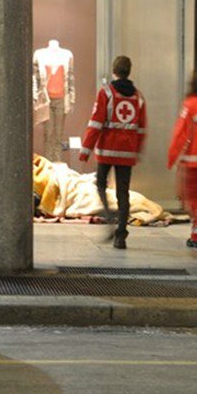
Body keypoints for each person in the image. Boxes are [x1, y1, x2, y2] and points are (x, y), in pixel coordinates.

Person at [79, 55, 147, 249]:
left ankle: (109, 218)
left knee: (100, 184)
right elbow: (142, 128)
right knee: (123, 193)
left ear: (114, 71)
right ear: (129, 71)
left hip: (107, 150)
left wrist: (85, 150)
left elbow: (96, 123)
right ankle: (121, 236)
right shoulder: (138, 97)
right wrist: (137, 151)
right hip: (127, 153)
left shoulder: (106, 93)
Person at [167, 68, 197, 248]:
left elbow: (180, 134)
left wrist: (172, 157)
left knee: (194, 199)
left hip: (195, 162)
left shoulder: (191, 104)